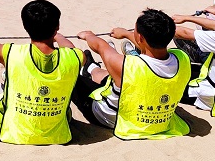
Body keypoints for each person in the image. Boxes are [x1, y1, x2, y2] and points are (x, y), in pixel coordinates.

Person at [0, 0, 85, 145]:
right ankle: (5, 75)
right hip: (58, 133)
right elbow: (71, 49)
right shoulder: (76, 57)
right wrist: (58, 36)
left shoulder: (13, 53)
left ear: (25, 26)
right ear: (57, 26)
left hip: (15, 131)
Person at [74, 9, 192, 139]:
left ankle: (89, 69)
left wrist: (88, 35)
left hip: (115, 120)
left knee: (74, 80)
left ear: (140, 37)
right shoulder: (182, 58)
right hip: (160, 121)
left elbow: (100, 46)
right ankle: (91, 68)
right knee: (116, 78)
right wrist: (126, 33)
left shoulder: (126, 65)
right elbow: (151, 48)